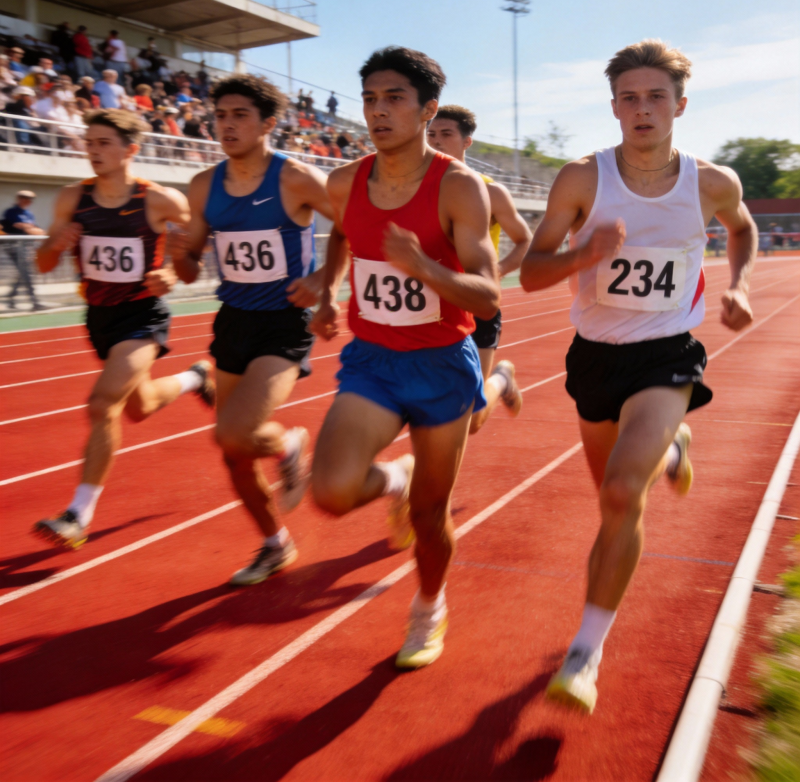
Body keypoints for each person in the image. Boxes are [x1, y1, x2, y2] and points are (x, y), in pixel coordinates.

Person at [519, 39, 757, 713]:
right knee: (612, 500)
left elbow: (741, 230)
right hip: (595, 357)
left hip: (666, 353)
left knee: (624, 495)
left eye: (656, 96)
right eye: (629, 97)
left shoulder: (711, 182)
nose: (642, 109)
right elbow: (532, 275)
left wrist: (739, 285)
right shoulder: (580, 180)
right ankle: (671, 446)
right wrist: (583, 256)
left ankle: (585, 652)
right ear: (614, 106)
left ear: (680, 105)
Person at [310, 47, 500, 669]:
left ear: (428, 110)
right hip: (373, 361)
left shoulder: (460, 186)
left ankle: (428, 605)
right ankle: (395, 476)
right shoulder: (345, 181)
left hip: (442, 362)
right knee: (333, 490)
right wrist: (327, 285)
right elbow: (341, 232)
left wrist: (422, 266)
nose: (378, 111)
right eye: (370, 99)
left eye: (394, 98)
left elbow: (489, 292)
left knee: (430, 516)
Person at [169, 74, 347, 586]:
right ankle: (275, 543)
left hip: (283, 321)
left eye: (239, 115)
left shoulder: (294, 177)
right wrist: (180, 254)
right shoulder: (204, 185)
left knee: (234, 431)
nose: (226, 125)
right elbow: (188, 268)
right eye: (220, 116)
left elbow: (351, 227)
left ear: (268, 123)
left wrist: (323, 283)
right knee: (233, 453)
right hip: (234, 320)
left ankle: (290, 445)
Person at [32, 109, 215, 550]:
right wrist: (56, 244)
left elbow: (195, 245)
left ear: (131, 149)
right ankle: (197, 377)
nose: (93, 151)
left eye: (103, 143)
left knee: (102, 405)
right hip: (98, 317)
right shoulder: (72, 199)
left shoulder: (158, 200)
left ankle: (78, 514)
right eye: (89, 143)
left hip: (142, 316)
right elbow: (42, 262)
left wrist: (172, 274)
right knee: (140, 405)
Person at [427, 104, 532, 434]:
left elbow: (524, 240)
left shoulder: (489, 190)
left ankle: (501, 378)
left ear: (467, 141)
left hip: (477, 304)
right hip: (433, 303)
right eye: (431, 134)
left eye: (446, 134)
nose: (437, 141)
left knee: (472, 418)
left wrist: (498, 270)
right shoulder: (419, 188)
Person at [2, 190, 46, 310]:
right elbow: (21, 226)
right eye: (24, 198)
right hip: (14, 247)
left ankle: (11, 298)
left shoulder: (29, 214)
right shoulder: (11, 212)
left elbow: (35, 229)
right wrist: (31, 229)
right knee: (26, 273)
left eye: (29, 199)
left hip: (26, 247)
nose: (27, 201)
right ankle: (34, 301)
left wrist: (36, 231)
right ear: (19, 199)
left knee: (23, 273)